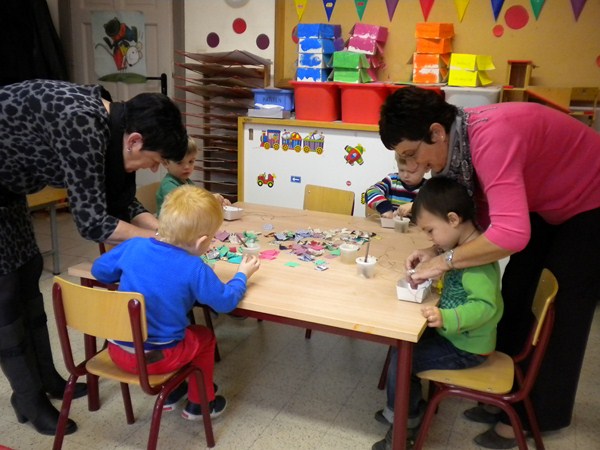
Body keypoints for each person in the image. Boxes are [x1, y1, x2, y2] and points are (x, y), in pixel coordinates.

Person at [378, 86, 600, 449]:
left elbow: (511, 233)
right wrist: (435, 248)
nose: (415, 167)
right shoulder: (460, 146)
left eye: (412, 154)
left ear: (436, 132)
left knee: (559, 312)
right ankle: (502, 397)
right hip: (546, 200)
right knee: (516, 290)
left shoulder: (490, 139)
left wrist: (444, 261)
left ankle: (529, 419)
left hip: (592, 198)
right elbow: (478, 219)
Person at [0, 79, 188, 436]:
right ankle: (28, 399)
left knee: (28, 273)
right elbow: (92, 221)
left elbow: (121, 202)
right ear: (135, 141)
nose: (152, 169)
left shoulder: (112, 124)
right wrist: (156, 241)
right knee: (6, 294)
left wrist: (165, 231)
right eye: (154, 161)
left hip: (8, 192)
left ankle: (48, 380)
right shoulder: (82, 123)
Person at [91, 184, 260, 419]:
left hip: (117, 352)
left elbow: (99, 271)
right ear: (201, 242)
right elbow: (225, 302)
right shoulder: (194, 268)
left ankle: (172, 392)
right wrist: (242, 275)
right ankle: (200, 404)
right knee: (204, 337)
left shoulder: (134, 245)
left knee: (176, 334)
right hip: (159, 360)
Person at [373, 176, 503, 450]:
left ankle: (405, 426)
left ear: (453, 219)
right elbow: (457, 287)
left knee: (403, 359)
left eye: (431, 231)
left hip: (466, 347)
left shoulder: (475, 263)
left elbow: (485, 306)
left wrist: (446, 317)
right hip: (455, 335)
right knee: (402, 344)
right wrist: (432, 269)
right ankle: (408, 409)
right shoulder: (461, 248)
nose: (430, 239)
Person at [156, 137, 231, 216]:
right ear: (165, 163)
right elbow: (187, 206)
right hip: (170, 223)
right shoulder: (168, 185)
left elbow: (199, 198)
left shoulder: (188, 182)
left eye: (191, 161)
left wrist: (218, 202)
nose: (187, 167)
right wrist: (210, 200)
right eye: (179, 162)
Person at [366, 152, 428, 218]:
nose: (405, 175)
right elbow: (371, 191)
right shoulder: (392, 180)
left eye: (412, 172)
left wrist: (414, 205)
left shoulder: (428, 188)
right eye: (401, 170)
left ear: (427, 168)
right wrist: (384, 208)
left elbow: (434, 206)